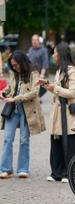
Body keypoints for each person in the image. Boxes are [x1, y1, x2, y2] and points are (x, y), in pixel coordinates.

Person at [38, 43, 75, 183]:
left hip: (67, 113)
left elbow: (72, 93)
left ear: (60, 54)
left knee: (69, 143)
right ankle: (56, 172)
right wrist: (47, 84)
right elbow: (57, 89)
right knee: (56, 142)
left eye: (54, 52)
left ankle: (69, 174)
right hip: (57, 112)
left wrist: (54, 87)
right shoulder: (59, 71)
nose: (52, 55)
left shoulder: (72, 71)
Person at [0, 51, 45, 179]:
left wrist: (15, 98)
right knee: (7, 139)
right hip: (12, 110)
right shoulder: (14, 73)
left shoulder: (33, 73)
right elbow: (10, 87)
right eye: (12, 66)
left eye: (16, 65)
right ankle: (6, 169)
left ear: (22, 62)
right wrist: (3, 92)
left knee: (24, 140)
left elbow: (34, 92)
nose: (14, 68)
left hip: (27, 110)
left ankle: (23, 169)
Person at [27, 34, 49, 99]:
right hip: (30, 72)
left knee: (43, 87)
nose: (34, 41)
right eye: (33, 40)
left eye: (36, 40)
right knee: (30, 87)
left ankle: (36, 97)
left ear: (39, 41)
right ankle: (35, 98)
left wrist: (42, 74)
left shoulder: (43, 50)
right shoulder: (30, 49)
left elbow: (45, 63)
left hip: (39, 72)